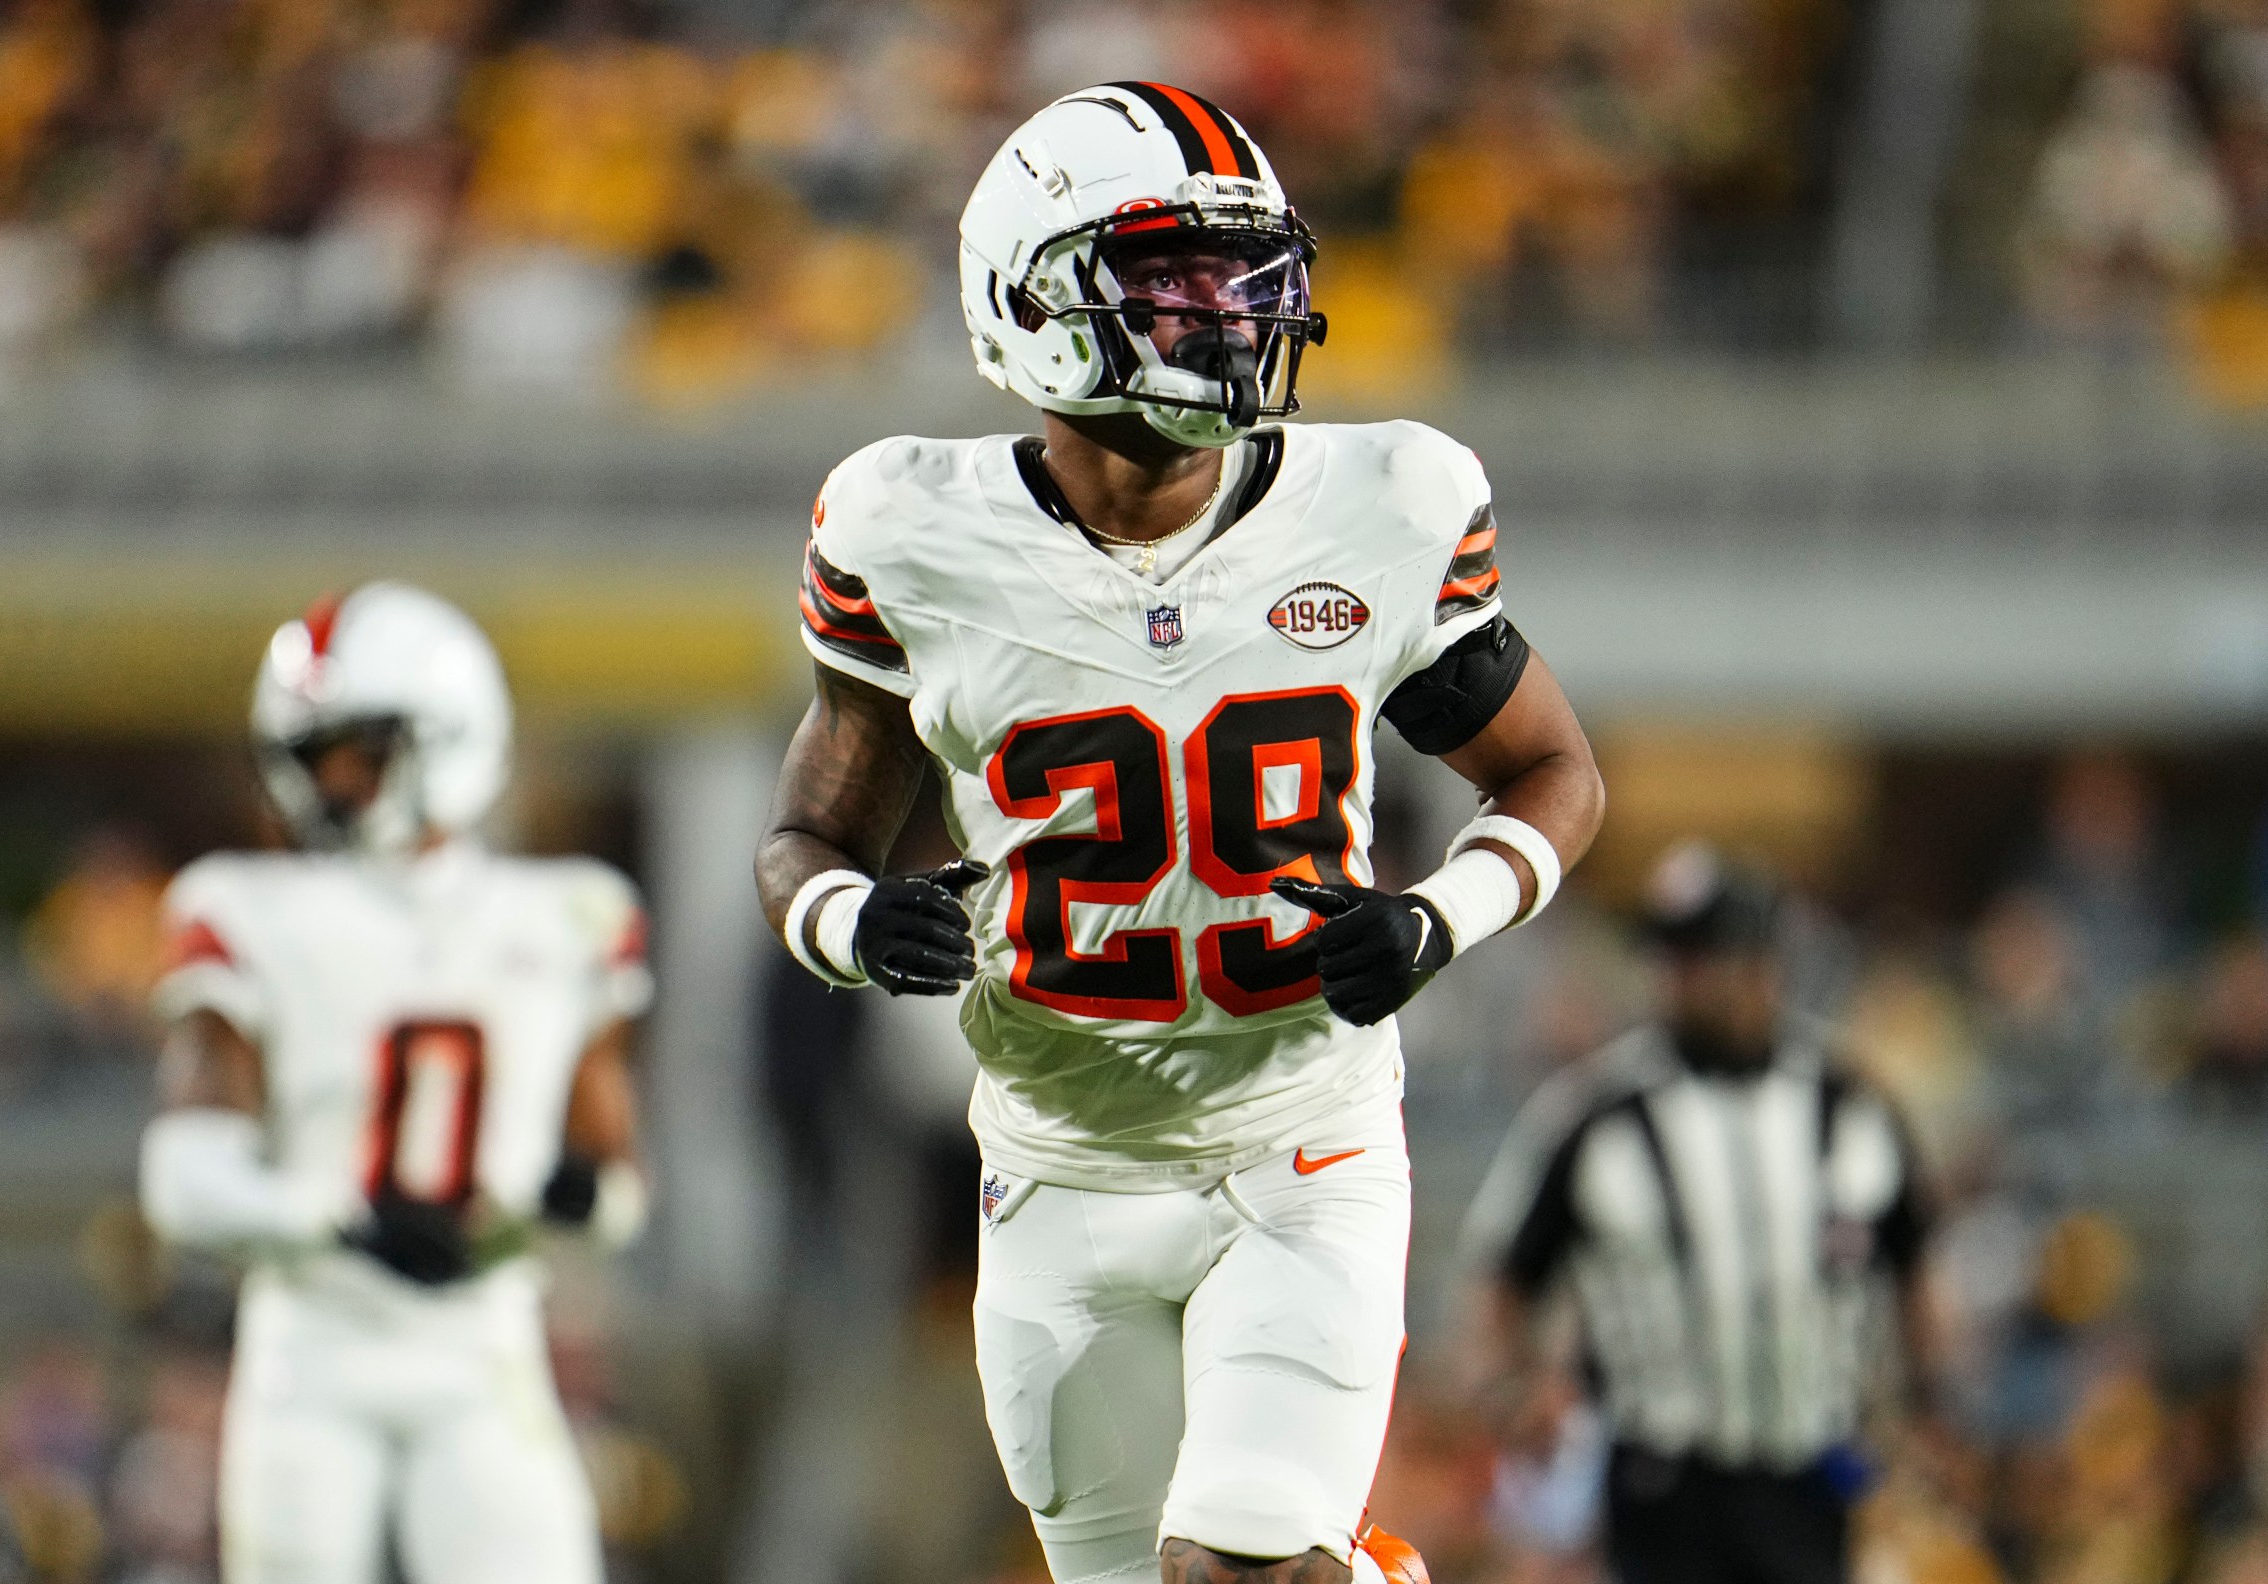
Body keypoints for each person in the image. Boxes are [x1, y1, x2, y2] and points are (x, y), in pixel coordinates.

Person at [755, 82, 1604, 1584]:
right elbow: (804, 840)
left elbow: (1550, 772)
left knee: (1238, 1569)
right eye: (1172, 280)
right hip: (1056, 1167)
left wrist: (1435, 919)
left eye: (1244, 274)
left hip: (1302, 1144)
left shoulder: (1384, 503)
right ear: (1028, 297)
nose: (1230, 316)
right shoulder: (909, 533)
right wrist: (848, 924)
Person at [137, 583, 652, 1584]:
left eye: (357, 754)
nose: (327, 787)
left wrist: (579, 1198)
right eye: (310, 758)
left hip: (484, 1356)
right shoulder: (247, 908)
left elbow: (620, 1183)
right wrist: (337, 1217)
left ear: (450, 739)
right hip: (310, 1359)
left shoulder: (566, 915)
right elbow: (182, 1177)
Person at [1459, 842, 1936, 1584]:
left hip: (1812, 1474)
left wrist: (1925, 1407)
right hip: (1660, 1483)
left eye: (1700, 956)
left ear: (1762, 964)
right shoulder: (1595, 1114)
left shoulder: (1853, 1110)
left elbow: (1917, 1263)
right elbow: (1503, 1274)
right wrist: (1514, 1392)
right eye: (1668, 956)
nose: (1676, 979)